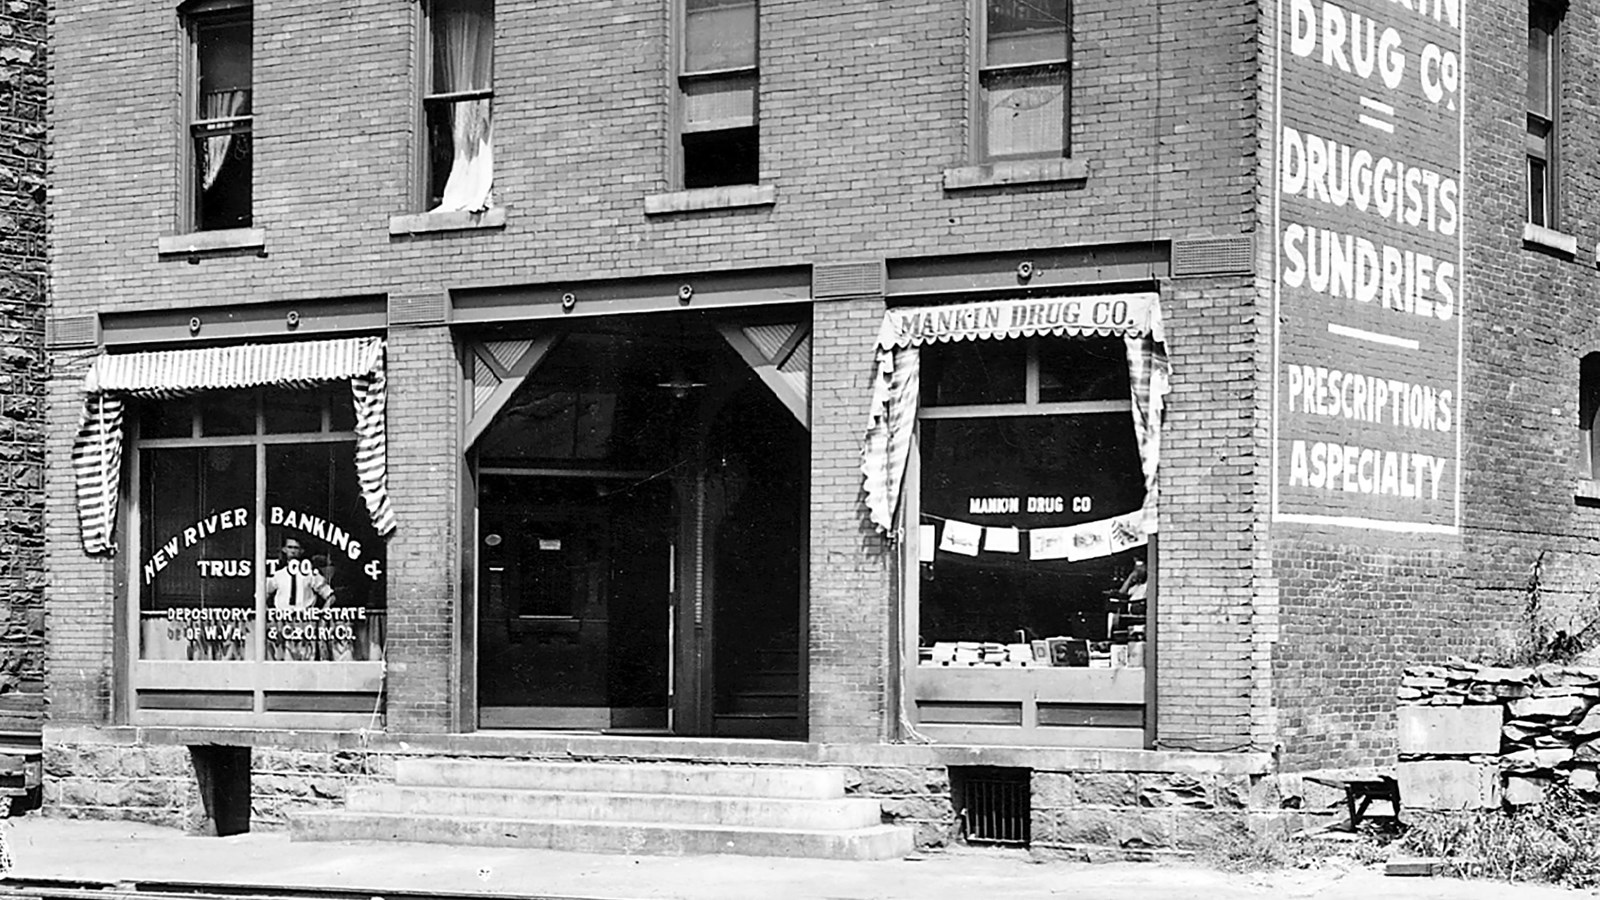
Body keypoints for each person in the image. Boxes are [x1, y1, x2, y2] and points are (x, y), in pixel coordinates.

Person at [265, 537, 335, 660]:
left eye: (296, 548)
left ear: (301, 551)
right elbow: (261, 594)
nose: (293, 551)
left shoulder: (310, 574)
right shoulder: (278, 575)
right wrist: (269, 616)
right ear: (284, 550)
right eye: (290, 547)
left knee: (306, 657)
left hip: (304, 621)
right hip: (282, 621)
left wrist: (323, 616)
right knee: (282, 657)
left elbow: (330, 596)